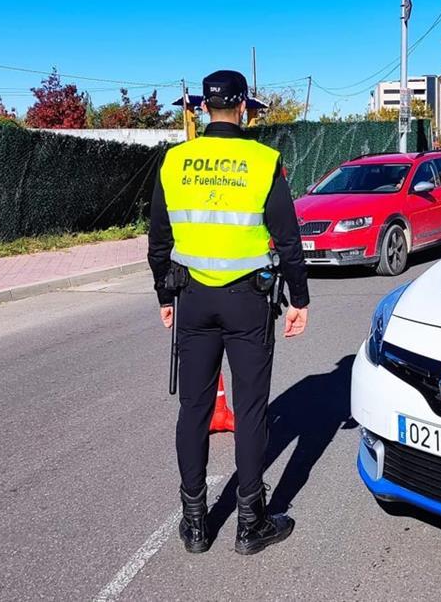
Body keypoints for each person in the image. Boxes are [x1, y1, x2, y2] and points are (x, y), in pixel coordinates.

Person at [148, 69, 310, 556]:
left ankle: (195, 524)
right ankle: (249, 523)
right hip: (248, 303)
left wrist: (162, 295)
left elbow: (159, 240)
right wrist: (299, 299)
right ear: (243, 108)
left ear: (202, 108)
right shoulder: (262, 161)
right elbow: (287, 238)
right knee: (252, 410)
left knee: (194, 409)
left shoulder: (175, 161)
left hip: (193, 299)